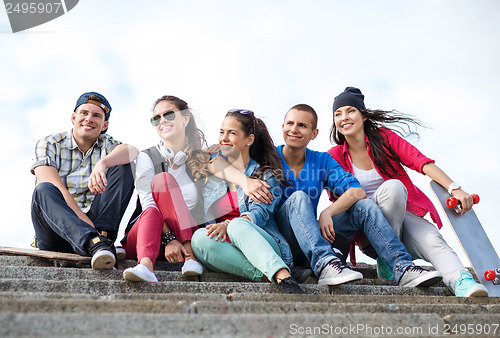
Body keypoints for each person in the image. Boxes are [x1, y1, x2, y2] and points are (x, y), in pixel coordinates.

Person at [328, 86, 488, 297]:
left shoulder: (384, 139)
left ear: (363, 115)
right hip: (368, 233)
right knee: (392, 188)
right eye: (338, 114)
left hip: (402, 218)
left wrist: (454, 189)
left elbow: (420, 162)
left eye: (350, 111)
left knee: (432, 239)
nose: (344, 118)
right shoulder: (335, 156)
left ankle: (460, 280)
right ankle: (387, 258)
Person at [191, 109, 305, 294]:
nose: (224, 138)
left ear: (249, 140)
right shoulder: (213, 173)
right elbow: (209, 160)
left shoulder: (265, 175)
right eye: (222, 132)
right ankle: (269, 274)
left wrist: (227, 225)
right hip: (228, 250)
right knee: (199, 238)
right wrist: (243, 181)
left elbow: (259, 215)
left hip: (263, 243)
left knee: (238, 224)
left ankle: (282, 273)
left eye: (232, 133)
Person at [31, 91, 137, 270]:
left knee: (124, 165)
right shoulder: (49, 143)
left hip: (97, 226)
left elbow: (132, 151)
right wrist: (89, 231)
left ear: (105, 125)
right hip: (56, 231)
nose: (89, 119)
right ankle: (96, 243)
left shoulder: (107, 144)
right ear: (74, 117)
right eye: (84, 113)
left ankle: (104, 240)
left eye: (96, 116)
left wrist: (103, 163)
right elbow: (58, 189)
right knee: (44, 190)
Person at [121, 95, 208, 282]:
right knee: (161, 185)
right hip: (149, 237)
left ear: (185, 118)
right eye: (156, 118)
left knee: (164, 181)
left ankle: (191, 258)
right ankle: (145, 267)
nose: (162, 121)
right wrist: (170, 238)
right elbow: (147, 202)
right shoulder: (147, 157)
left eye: (168, 114)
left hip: (191, 236)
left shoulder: (201, 160)